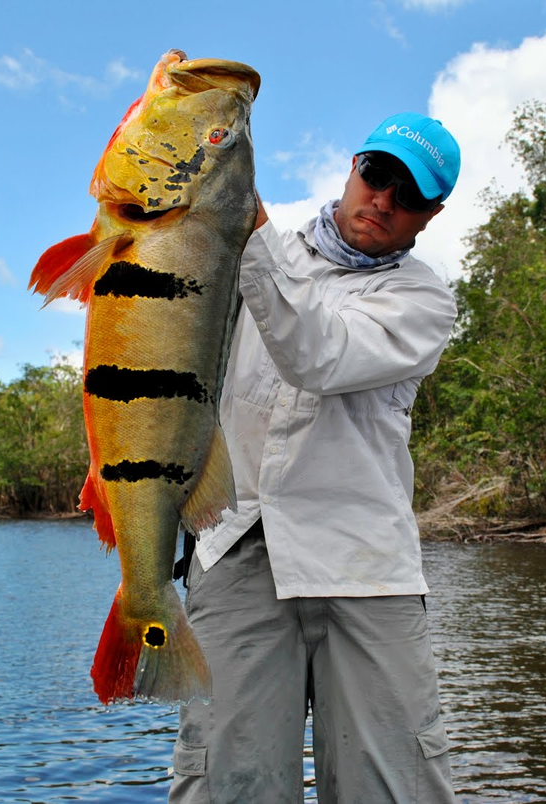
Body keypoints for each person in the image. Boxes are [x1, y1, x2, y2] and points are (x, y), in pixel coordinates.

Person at [169, 112, 461, 803]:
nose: (383, 199)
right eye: (376, 175)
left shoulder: (423, 301)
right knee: (226, 783)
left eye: (409, 194)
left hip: (364, 565)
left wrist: (243, 222)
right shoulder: (257, 243)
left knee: (393, 786)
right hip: (234, 544)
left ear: (432, 213)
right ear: (353, 166)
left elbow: (317, 354)